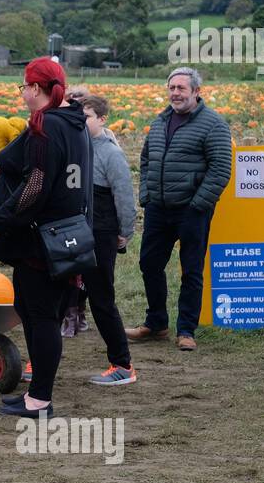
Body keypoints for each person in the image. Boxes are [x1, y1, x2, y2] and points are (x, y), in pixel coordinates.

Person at [0, 57, 91, 417]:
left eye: (23, 87)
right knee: (37, 313)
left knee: (40, 317)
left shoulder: (47, 125)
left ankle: (39, 399)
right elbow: (50, 174)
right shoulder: (75, 123)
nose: (22, 93)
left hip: (41, 240)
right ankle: (35, 395)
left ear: (36, 89)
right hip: (65, 235)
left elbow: (36, 187)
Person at [127, 66, 232, 352]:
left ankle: (186, 329)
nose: (175, 93)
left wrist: (199, 204)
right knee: (149, 264)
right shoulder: (160, 121)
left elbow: (221, 169)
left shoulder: (213, 124)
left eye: (181, 88)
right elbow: (146, 159)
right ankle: (157, 323)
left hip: (192, 210)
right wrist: (146, 195)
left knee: (191, 270)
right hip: (159, 209)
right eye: (172, 88)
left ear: (196, 92)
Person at [78, 94, 138, 385]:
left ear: (102, 119)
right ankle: (39, 360)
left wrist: (125, 232)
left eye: (86, 115)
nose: (81, 120)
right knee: (59, 296)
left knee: (101, 298)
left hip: (101, 233)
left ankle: (122, 364)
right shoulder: (75, 147)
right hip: (73, 232)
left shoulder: (110, 154)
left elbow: (125, 196)